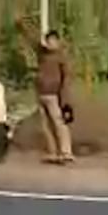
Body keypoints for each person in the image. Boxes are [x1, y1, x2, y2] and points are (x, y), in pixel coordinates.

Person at [35, 30, 74, 164]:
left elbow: (66, 77)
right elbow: (31, 37)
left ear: (58, 41)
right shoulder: (42, 54)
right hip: (41, 93)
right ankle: (52, 152)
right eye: (48, 40)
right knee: (45, 125)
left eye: (53, 40)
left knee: (59, 123)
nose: (51, 43)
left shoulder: (61, 57)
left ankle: (66, 152)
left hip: (54, 95)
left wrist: (65, 98)